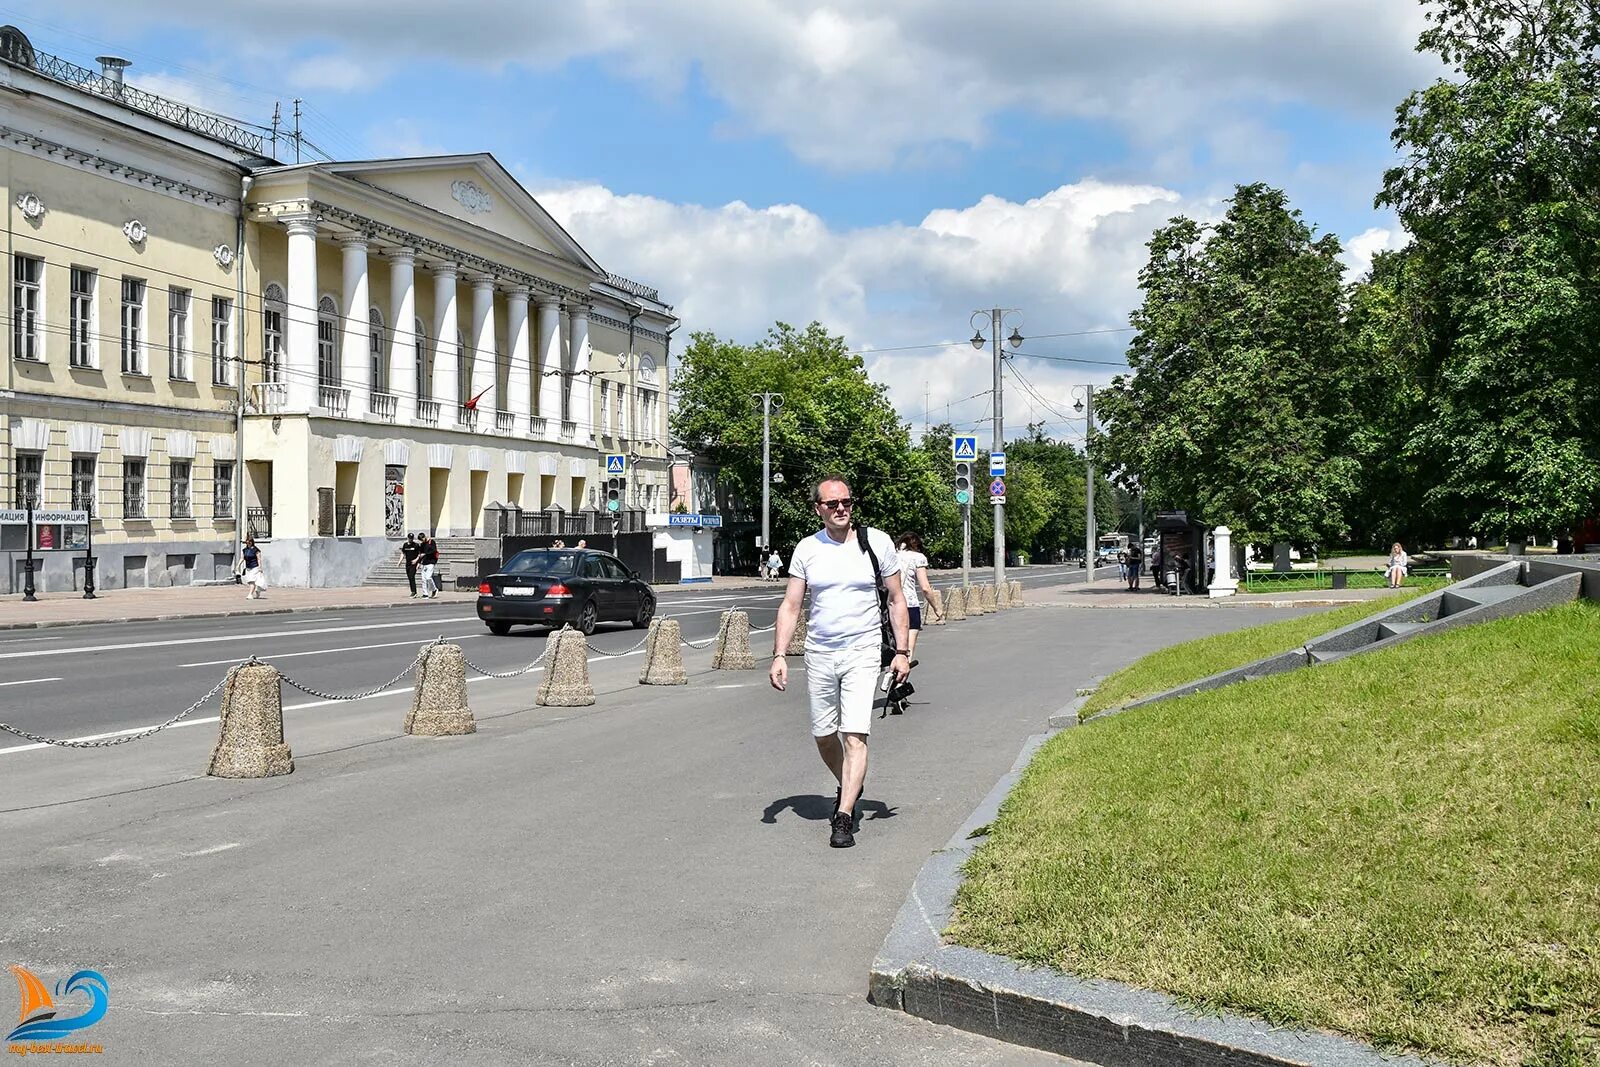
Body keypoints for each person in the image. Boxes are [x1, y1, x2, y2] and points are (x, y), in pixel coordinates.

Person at [771, 476, 911, 849]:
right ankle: (852, 779)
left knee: (854, 735)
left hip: (863, 652)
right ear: (818, 508)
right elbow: (791, 605)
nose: (840, 509)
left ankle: (844, 814)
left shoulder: (876, 542)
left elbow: (896, 599)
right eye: (832, 504)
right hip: (819, 652)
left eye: (846, 502)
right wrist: (780, 655)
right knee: (823, 734)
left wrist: (902, 653)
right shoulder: (807, 549)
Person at [417, 534, 440, 598]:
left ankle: (434, 589)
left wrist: (425, 554)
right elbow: (420, 554)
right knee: (423, 579)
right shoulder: (422, 544)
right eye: (421, 540)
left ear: (424, 537)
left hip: (431, 562)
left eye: (422, 539)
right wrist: (419, 563)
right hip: (424, 563)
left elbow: (434, 551)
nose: (422, 541)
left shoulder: (431, 542)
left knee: (428, 577)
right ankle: (425, 594)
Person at [401, 533, 422, 598]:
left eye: (412, 538)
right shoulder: (405, 545)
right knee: (409, 577)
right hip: (408, 563)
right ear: (407, 538)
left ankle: (414, 592)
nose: (410, 539)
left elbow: (419, 554)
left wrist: (417, 561)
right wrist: (400, 561)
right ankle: (412, 591)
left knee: (412, 576)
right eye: (409, 538)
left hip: (414, 564)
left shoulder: (416, 545)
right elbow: (403, 553)